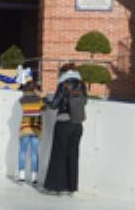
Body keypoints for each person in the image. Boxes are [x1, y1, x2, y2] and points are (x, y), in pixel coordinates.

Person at [44, 63, 88, 195]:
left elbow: (54, 105)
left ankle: (56, 187)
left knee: (59, 155)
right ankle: (71, 188)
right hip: (77, 125)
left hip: (63, 124)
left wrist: (44, 99)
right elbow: (85, 102)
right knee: (73, 156)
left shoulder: (63, 84)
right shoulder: (82, 84)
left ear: (64, 72)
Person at [16, 80, 43, 184]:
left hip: (25, 128)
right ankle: (34, 177)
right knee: (34, 153)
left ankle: (21, 175)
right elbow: (44, 107)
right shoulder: (39, 99)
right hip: (35, 128)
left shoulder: (23, 99)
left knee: (23, 151)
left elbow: (21, 97)